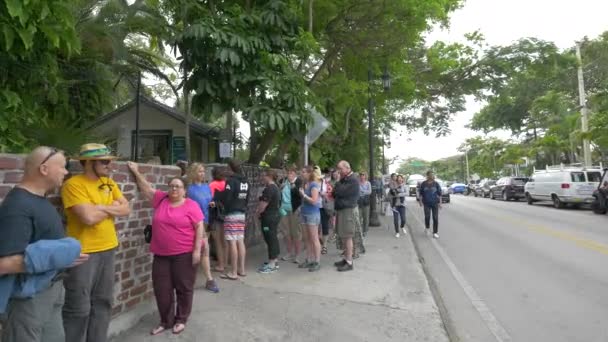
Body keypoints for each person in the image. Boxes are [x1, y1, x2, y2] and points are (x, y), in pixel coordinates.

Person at [0, 147, 89, 342]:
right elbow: (4, 263)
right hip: (27, 301)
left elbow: (42, 246)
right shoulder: (17, 206)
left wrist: (63, 258)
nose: (66, 172)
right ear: (44, 169)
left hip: (52, 290)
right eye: (63, 167)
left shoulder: (40, 200)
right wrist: (58, 254)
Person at [61, 143, 131, 342]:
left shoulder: (109, 183)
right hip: (84, 253)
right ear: (89, 163)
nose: (110, 166)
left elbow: (127, 209)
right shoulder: (74, 184)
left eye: (110, 161)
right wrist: (111, 207)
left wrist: (100, 207)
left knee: (103, 302)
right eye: (105, 161)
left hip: (109, 248)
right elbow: (88, 218)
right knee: (79, 308)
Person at [127, 162, 204, 336]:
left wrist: (197, 251)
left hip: (183, 254)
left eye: (178, 186)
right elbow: (147, 188)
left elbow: (199, 227)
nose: (174, 189)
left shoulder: (191, 205)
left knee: (184, 288)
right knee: (162, 289)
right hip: (161, 255)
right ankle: (165, 320)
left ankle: (181, 319)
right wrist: (136, 172)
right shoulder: (161, 199)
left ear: (184, 190)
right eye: (171, 186)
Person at [186, 163, 220, 293]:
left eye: (203, 171)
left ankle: (208, 279)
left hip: (206, 221)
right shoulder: (189, 189)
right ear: (194, 172)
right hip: (192, 223)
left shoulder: (207, 187)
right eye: (199, 171)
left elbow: (210, 200)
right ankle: (205, 279)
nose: (202, 173)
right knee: (198, 250)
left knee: (204, 249)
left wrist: (212, 203)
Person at [219, 160, 250, 280]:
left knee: (232, 242)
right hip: (241, 213)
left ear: (230, 168)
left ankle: (233, 272)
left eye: (227, 168)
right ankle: (241, 269)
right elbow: (247, 197)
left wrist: (222, 202)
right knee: (240, 241)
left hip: (231, 213)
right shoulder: (246, 181)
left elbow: (227, 198)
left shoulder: (231, 181)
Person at [333, 161, 361, 272]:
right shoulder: (345, 179)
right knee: (343, 236)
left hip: (348, 210)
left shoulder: (352, 179)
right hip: (342, 209)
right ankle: (346, 258)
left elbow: (339, 191)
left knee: (348, 236)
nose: (338, 171)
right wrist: (338, 184)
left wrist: (338, 181)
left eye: (340, 169)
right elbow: (335, 193)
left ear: (347, 168)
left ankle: (349, 262)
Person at [256, 170, 282, 274]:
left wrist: (258, 212)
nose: (262, 177)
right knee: (272, 238)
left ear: (269, 176)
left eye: (264, 175)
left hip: (269, 218)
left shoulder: (270, 188)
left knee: (270, 238)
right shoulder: (275, 187)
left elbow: (263, 204)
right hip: (274, 216)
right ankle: (274, 261)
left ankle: (272, 264)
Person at [298, 166, 322, 272]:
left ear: (309, 173)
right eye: (301, 172)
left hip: (312, 214)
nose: (302, 173)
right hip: (304, 213)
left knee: (314, 238)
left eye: (303, 172)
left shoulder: (314, 184)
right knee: (306, 238)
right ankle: (309, 259)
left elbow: (314, 201)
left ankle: (317, 261)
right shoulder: (304, 184)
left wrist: (303, 195)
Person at [279, 167, 303, 263]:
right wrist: (280, 187)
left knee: (296, 233)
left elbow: (299, 195)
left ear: (295, 174)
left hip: (294, 209)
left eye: (291, 173)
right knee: (286, 232)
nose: (289, 175)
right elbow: (279, 190)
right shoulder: (284, 181)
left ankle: (297, 254)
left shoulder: (299, 182)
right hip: (283, 209)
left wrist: (293, 185)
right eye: (288, 173)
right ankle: (289, 252)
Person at [208, 167, 227, 272]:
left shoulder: (212, 185)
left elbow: (210, 199)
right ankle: (225, 263)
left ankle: (220, 265)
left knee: (217, 241)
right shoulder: (226, 184)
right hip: (226, 214)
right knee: (225, 241)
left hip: (215, 214)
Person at [418, 171, 442, 239]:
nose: (432, 176)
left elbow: (439, 194)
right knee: (427, 216)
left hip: (435, 203)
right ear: (427, 176)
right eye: (431, 175)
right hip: (426, 203)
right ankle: (427, 228)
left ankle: (435, 232)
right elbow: (421, 193)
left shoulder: (436, 184)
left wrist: (440, 203)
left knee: (435, 218)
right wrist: (420, 201)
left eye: (433, 175)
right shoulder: (423, 184)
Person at [319, 168, 335, 255]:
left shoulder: (331, 183)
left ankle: (324, 246)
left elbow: (334, 194)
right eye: (326, 173)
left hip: (326, 207)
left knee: (325, 226)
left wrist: (326, 195)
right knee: (317, 226)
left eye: (329, 173)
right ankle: (319, 240)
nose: (327, 175)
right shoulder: (318, 181)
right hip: (316, 206)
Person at [358, 172, 372, 237]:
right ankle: (360, 230)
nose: (362, 176)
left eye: (363, 175)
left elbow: (369, 192)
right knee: (359, 217)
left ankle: (365, 230)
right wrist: (363, 192)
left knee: (366, 217)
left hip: (366, 202)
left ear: (365, 176)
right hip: (359, 202)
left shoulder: (368, 183)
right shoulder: (357, 183)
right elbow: (356, 192)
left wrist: (363, 192)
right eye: (361, 175)